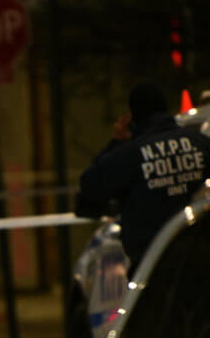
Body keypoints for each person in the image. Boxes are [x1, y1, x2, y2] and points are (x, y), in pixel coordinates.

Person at [78, 82, 210, 271]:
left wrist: (116, 142)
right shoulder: (201, 143)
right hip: (201, 258)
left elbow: (91, 186)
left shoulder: (131, 154)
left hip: (153, 267)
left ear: (133, 117)